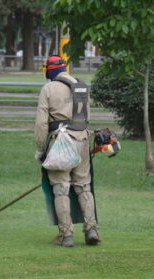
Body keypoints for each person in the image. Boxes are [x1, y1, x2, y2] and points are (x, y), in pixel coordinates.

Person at [34, 55, 101, 247]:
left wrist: (40, 149)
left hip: (60, 141)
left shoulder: (48, 88)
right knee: (83, 186)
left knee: (61, 188)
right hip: (82, 139)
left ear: (49, 70)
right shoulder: (81, 85)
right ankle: (91, 229)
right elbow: (87, 115)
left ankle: (66, 235)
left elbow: (41, 123)